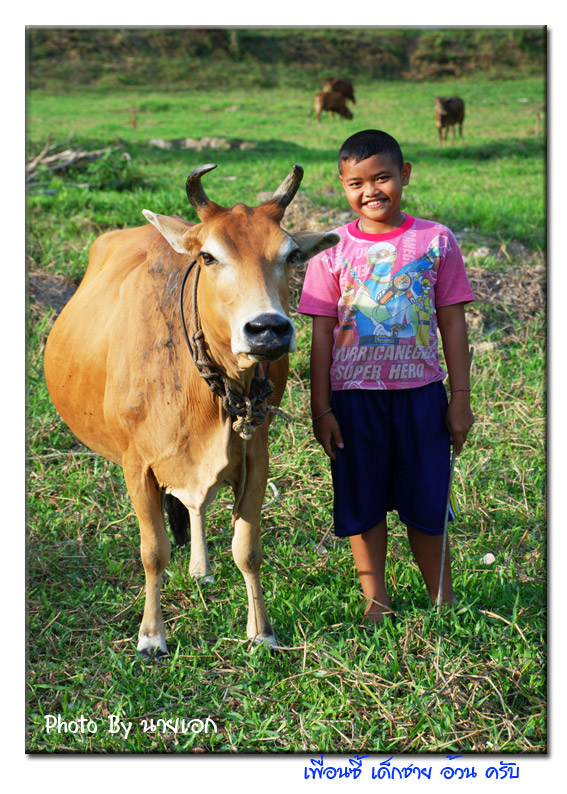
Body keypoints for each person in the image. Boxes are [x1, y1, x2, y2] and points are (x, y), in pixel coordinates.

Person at [297, 129, 475, 623]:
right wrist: (321, 409)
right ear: (342, 185)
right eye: (356, 183)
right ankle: (376, 602)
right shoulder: (330, 250)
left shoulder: (436, 240)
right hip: (354, 401)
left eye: (382, 178)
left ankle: (442, 599)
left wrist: (459, 397)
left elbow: (452, 322)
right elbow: (321, 335)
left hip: (422, 397)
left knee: (427, 500)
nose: (371, 191)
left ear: (405, 175)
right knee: (363, 500)